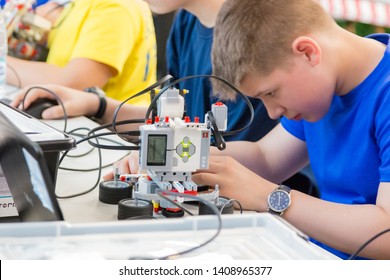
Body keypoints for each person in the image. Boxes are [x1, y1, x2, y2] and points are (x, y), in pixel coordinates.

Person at [190, 0, 390, 260]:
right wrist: (182, 153)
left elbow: (385, 233)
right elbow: (266, 158)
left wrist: (268, 197)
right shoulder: (325, 88)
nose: (272, 112)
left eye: (271, 93)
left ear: (308, 52)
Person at [11, 0, 278, 174]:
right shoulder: (185, 22)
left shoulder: (256, 38)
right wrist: (98, 105)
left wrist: (160, 156)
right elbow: (179, 124)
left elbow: (247, 160)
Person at [7, 0, 157, 105]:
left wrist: (3, 63)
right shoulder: (79, 4)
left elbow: (71, 86)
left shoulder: (116, 7)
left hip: (106, 134)